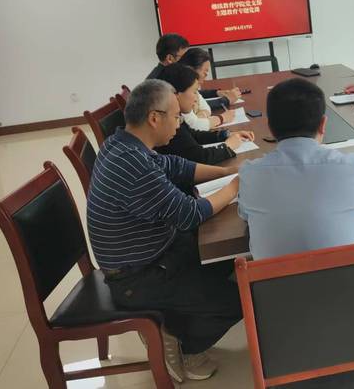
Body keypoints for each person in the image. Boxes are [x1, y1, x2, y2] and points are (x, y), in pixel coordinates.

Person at [87, 79, 242, 382]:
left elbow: (175, 166)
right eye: (176, 116)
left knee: (229, 260)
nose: (180, 122)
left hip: (153, 254)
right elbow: (189, 214)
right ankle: (181, 342)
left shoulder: (122, 143)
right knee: (239, 299)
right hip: (138, 277)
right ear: (154, 118)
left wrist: (226, 172)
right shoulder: (132, 164)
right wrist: (236, 186)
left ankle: (179, 322)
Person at [237, 78, 354, 260]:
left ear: (270, 128)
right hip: (343, 279)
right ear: (323, 124)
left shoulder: (250, 174)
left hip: (272, 280)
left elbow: (245, 214)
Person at [157, 64, 254, 164]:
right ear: (176, 95)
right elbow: (199, 157)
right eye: (194, 92)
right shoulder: (168, 122)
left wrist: (227, 135)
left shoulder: (174, 115)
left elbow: (194, 135)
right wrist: (228, 146)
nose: (196, 99)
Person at [176, 47, 240, 129]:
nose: (206, 76)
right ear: (191, 70)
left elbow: (206, 108)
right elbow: (193, 126)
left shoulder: (191, 86)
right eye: (205, 72)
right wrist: (221, 118)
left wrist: (199, 118)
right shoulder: (181, 88)